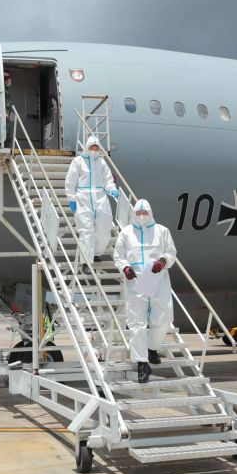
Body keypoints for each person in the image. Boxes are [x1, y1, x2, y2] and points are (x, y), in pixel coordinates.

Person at [114, 199, 177, 383]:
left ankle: (152, 347)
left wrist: (163, 261)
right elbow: (118, 256)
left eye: (145, 213)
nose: (142, 216)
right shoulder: (126, 233)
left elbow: (171, 252)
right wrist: (125, 267)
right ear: (134, 214)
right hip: (135, 282)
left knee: (164, 318)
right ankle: (142, 363)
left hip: (158, 280)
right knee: (136, 324)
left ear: (150, 213)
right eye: (138, 213)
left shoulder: (162, 231)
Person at [65, 135, 119, 264]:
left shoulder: (101, 162)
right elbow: (70, 181)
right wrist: (71, 198)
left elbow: (108, 179)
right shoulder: (78, 161)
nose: (94, 150)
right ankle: (86, 261)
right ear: (87, 148)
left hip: (100, 198)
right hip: (83, 199)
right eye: (92, 148)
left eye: (96, 148)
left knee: (103, 229)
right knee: (86, 231)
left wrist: (111, 189)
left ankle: (96, 253)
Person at [4, 71, 13, 147]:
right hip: (5, 115)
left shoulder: (6, 89)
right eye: (8, 79)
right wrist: (5, 112)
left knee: (8, 133)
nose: (10, 81)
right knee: (7, 134)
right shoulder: (3, 89)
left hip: (7, 114)